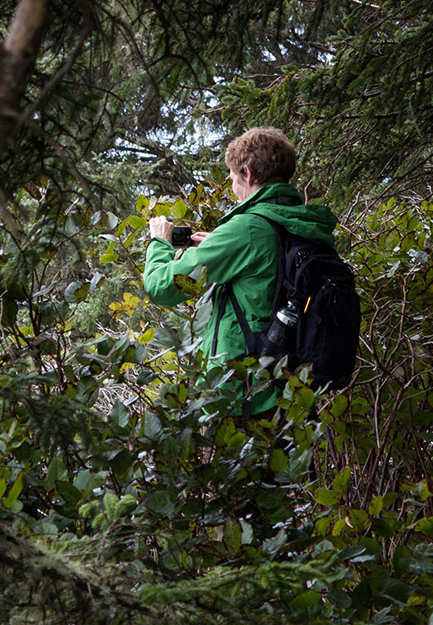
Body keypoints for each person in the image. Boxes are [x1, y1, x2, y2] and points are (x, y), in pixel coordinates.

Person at [143, 127, 339, 421]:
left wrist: (159, 243)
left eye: (233, 177)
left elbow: (161, 287)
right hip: (293, 394)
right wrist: (221, 245)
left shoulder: (247, 228)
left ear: (247, 174)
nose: (231, 184)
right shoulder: (299, 221)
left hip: (247, 398)